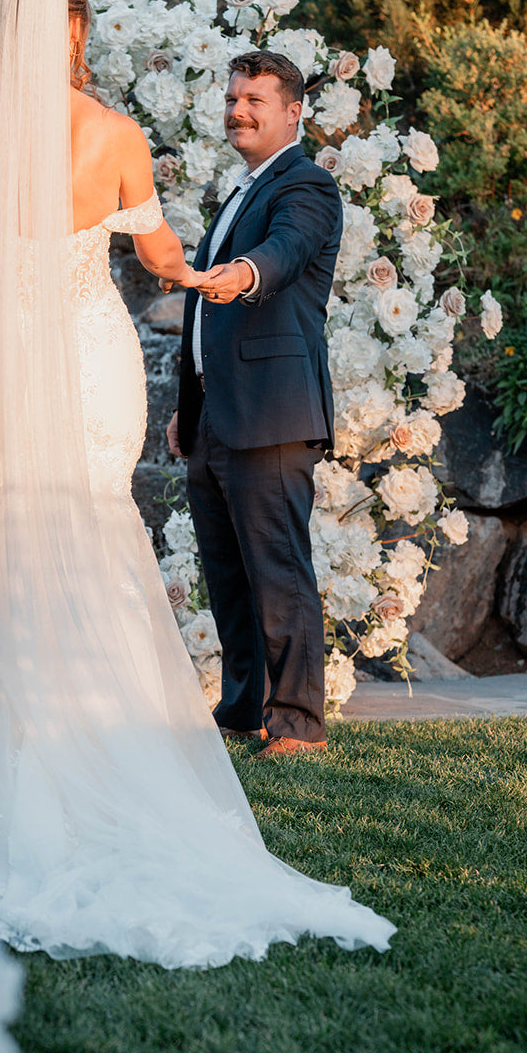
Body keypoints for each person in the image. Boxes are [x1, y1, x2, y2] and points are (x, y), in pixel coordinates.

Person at [0, 0, 395, 968]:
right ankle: (123, 744)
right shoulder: (115, 137)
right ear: (77, 29)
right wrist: (195, 271)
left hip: (1, 374)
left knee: (13, 556)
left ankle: (32, 767)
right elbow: (159, 261)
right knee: (94, 540)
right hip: (91, 371)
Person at [166, 51, 340, 758]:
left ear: (292, 112)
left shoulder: (307, 185)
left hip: (271, 413)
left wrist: (239, 273)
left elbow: (284, 252)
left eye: (254, 100)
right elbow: (199, 319)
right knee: (228, 572)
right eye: (233, 97)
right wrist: (188, 404)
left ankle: (297, 723)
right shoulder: (241, 188)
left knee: (276, 569)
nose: (237, 109)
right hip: (214, 414)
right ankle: (243, 707)